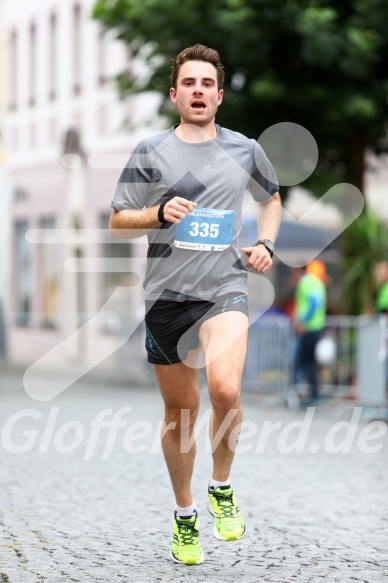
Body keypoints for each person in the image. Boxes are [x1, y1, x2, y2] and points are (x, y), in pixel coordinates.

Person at [109, 44, 282, 565]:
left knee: (226, 391)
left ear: (220, 95)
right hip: (166, 297)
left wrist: (267, 244)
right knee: (181, 413)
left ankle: (221, 486)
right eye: (190, 83)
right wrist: (158, 213)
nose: (199, 91)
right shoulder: (150, 151)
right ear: (175, 94)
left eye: (207, 83)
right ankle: (185, 516)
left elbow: (270, 199)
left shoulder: (245, 149)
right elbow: (118, 219)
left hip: (224, 289)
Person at [293, 260, 327, 406]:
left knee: (304, 361)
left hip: (309, 327)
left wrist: (302, 321)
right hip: (317, 327)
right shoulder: (319, 283)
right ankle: (311, 393)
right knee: (309, 361)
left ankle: (309, 393)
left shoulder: (307, 281)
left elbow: (314, 303)